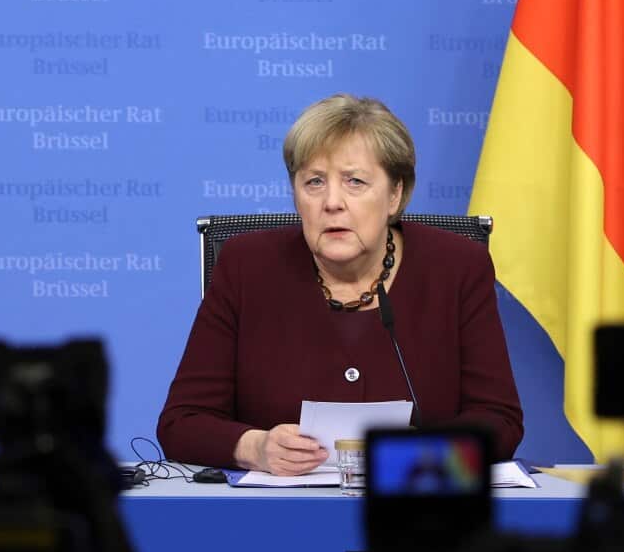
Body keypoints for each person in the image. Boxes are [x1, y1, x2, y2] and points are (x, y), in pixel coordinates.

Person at [157, 94, 523, 475]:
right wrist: (256, 447)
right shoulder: (246, 267)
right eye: (314, 182)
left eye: (355, 182)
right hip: (277, 519)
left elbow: (500, 421)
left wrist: (412, 458)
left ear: (395, 194)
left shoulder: (457, 267)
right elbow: (181, 423)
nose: (332, 202)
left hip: (416, 514)